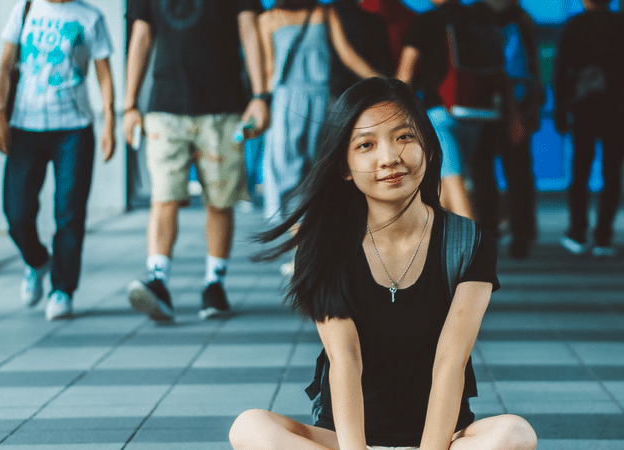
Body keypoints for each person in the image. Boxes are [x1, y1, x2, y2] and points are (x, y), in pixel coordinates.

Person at [228, 78, 537, 450]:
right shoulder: (322, 244)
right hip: (345, 440)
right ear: (345, 166)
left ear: (427, 144)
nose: (389, 157)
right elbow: (346, 360)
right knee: (250, 428)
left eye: (404, 137)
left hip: (441, 439)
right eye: (366, 145)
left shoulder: (466, 241)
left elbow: (450, 362)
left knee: (515, 434)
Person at [124, 0, 271, 321]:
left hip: (224, 107)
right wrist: (129, 105)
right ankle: (158, 281)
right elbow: (141, 36)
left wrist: (260, 97)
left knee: (220, 201)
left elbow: (250, 29)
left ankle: (214, 284)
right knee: (164, 197)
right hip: (164, 107)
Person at [0, 0, 115, 321]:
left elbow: (103, 73)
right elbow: (5, 63)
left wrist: (110, 123)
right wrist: (0, 115)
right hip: (25, 126)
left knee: (69, 212)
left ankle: (62, 289)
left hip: (73, 130)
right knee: (16, 213)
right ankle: (37, 261)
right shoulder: (25, 9)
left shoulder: (90, 17)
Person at [257, 0, 381, 222]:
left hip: (288, 103)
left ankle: (302, 244)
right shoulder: (322, 13)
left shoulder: (269, 19)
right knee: (316, 170)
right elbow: (348, 56)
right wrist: (384, 81)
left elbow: (269, 69)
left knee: (292, 171)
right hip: (316, 100)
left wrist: (263, 104)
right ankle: (300, 246)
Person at [553, 0, 624, 257]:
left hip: (584, 107)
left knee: (580, 169)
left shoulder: (575, 26)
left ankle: (577, 231)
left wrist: (560, 109)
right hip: (616, 106)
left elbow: (560, 70)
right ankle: (604, 235)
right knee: (612, 172)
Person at [397, 0, 490, 220]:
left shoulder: (427, 21)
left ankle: (473, 249)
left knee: (452, 179)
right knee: (446, 183)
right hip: (475, 111)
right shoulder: (477, 18)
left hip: (440, 113)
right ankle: (443, 247)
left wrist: (398, 110)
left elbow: (406, 71)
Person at [470, 0, 544, 259]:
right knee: (517, 172)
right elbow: (528, 67)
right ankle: (520, 233)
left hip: (485, 106)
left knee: (485, 174)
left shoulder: (476, 17)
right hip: (513, 104)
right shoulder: (519, 20)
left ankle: (493, 233)